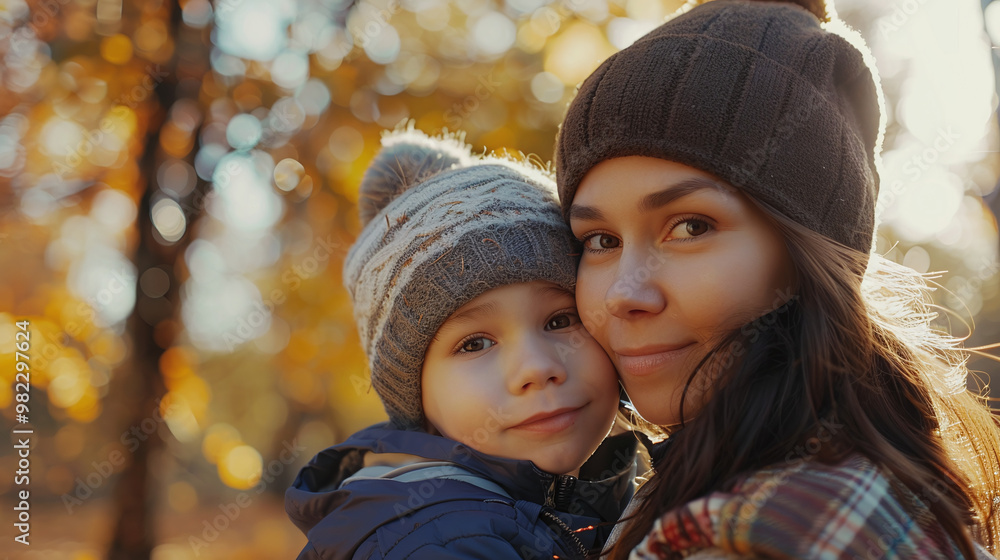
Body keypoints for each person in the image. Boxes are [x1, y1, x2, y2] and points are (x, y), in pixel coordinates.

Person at [553, 0, 1000, 558]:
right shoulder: (871, 488)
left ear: (806, 250)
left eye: (690, 226)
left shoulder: (755, 534)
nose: (623, 292)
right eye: (600, 241)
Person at [285, 125, 641, 560]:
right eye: (474, 344)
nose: (536, 366)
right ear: (414, 394)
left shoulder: (618, 498)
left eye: (560, 320)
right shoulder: (439, 540)